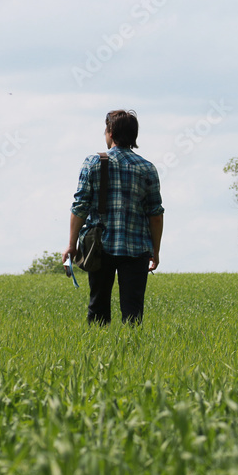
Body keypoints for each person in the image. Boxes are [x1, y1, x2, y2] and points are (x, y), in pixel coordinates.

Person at [62, 110, 164, 325]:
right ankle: (133, 354)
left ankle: (99, 354)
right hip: (137, 249)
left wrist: (71, 245)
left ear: (110, 132)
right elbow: (155, 214)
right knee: (133, 312)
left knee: (97, 307)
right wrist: (155, 250)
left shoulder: (93, 162)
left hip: (100, 246)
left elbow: (80, 206)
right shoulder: (147, 168)